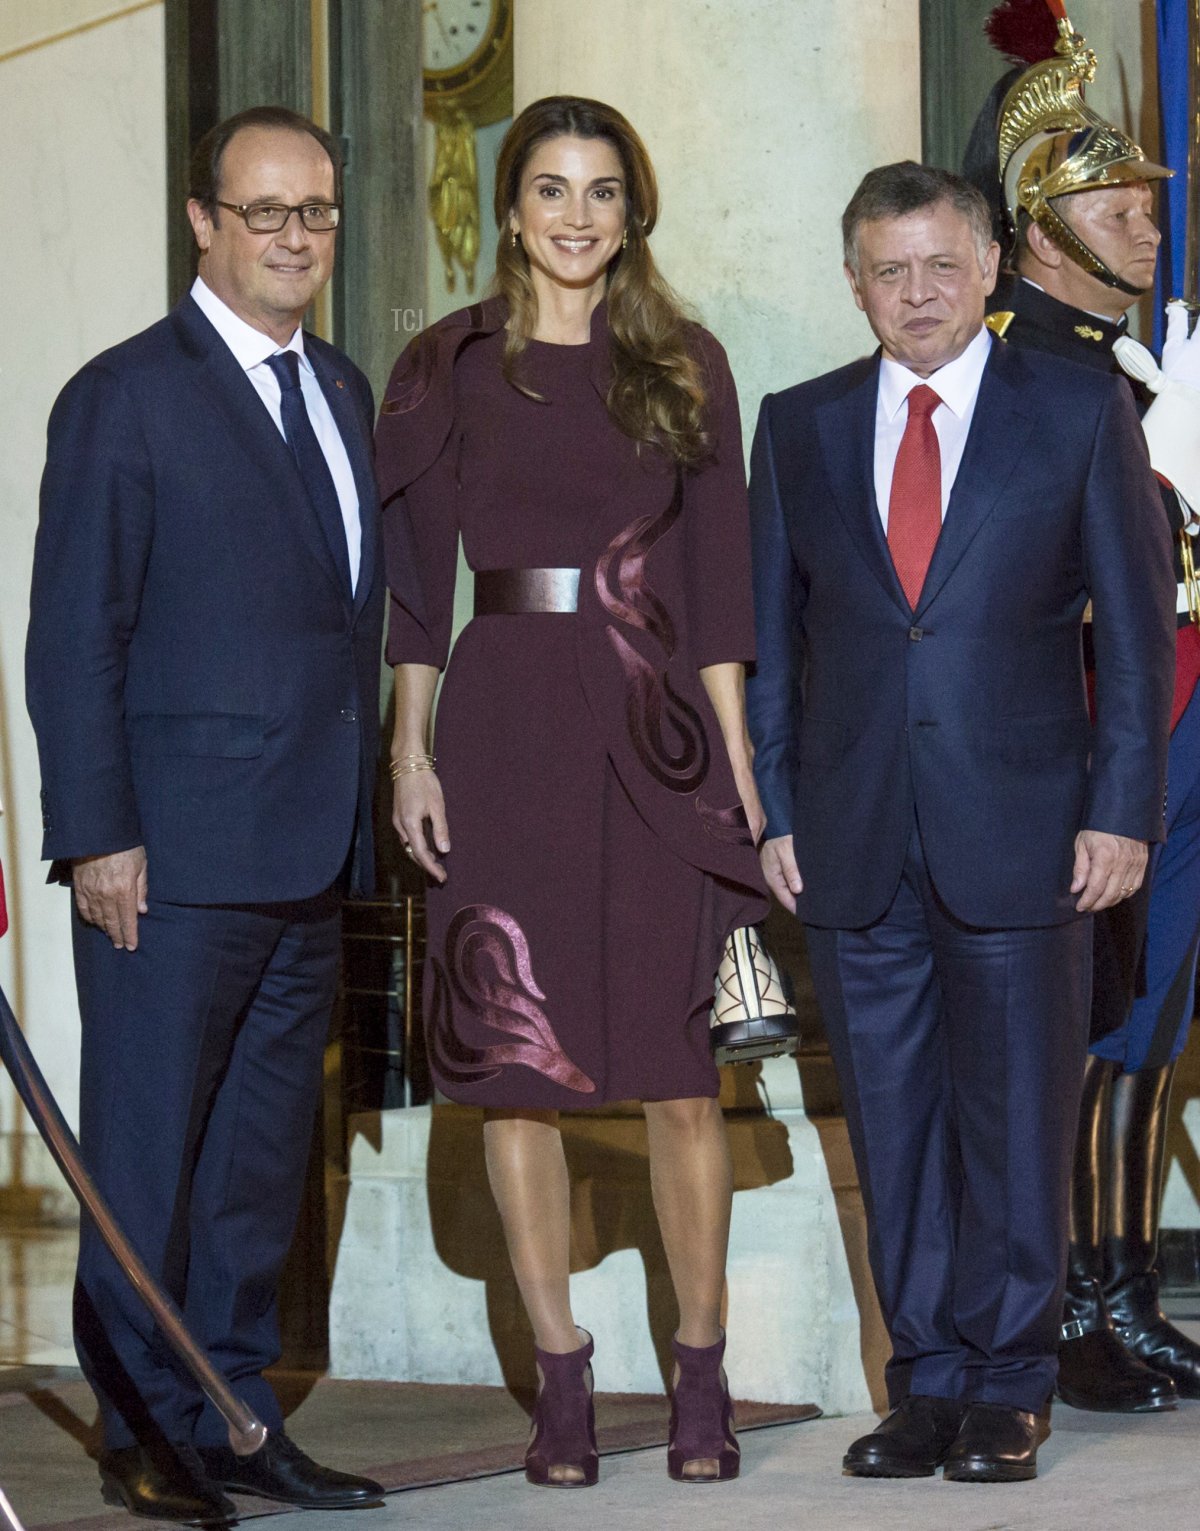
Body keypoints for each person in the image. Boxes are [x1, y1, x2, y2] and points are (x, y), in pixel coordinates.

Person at [747, 161, 1175, 1484]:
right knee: (891, 1120)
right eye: (890, 269)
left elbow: (1141, 635)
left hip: (1031, 831)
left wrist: (1122, 811)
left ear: (992, 266)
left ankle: (1007, 1380)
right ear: (855, 281)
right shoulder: (800, 424)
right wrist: (775, 810)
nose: (918, 294)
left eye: (942, 266)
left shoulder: (1080, 411)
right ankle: (922, 1379)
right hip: (855, 836)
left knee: (1015, 1114)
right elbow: (772, 642)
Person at [375, 95, 768, 1489]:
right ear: (511, 205)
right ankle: (560, 1383)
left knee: (678, 1081)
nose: (578, 215)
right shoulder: (446, 368)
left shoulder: (686, 363)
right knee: (516, 1076)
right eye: (552, 188)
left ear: (632, 209)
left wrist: (742, 778)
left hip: (658, 737)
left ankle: (703, 1375)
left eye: (605, 190)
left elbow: (722, 595)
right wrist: (410, 752)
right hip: (503, 735)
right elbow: (418, 591)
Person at [25, 106, 393, 1522]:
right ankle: (142, 1431)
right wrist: (96, 831)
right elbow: (76, 638)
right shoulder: (127, 394)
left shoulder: (343, 390)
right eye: (265, 213)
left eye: (316, 213)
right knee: (147, 1162)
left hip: (308, 857)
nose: (295, 239)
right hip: (165, 864)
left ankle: (239, 1419)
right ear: (202, 223)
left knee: (254, 1172)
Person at [964, 3, 1200, 1413]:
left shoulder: (1116, 364)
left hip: (1171, 706)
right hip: (1104, 725)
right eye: (1120, 211)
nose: (1151, 232)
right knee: (1100, 1021)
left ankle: (1118, 1291)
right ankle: (1071, 1304)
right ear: (1045, 227)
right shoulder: (1025, 366)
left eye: (1149, 211)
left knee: (1153, 1016)